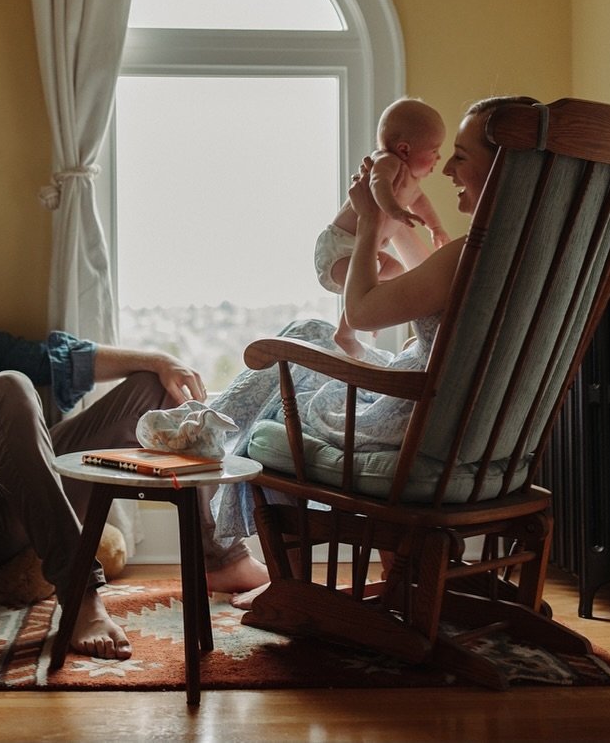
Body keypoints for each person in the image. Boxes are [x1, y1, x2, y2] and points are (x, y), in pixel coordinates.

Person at [0, 223, 268, 660]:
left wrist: (158, 360)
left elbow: (61, 361)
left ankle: (222, 560)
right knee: (9, 387)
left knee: (151, 387)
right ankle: (80, 596)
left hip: (31, 491)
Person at [210, 96, 536, 607]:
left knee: (281, 396)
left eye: (462, 156)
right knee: (313, 330)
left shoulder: (469, 258)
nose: (447, 168)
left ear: (502, 168)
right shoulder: (531, 256)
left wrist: (367, 221)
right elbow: (419, 271)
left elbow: (360, 313)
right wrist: (395, 211)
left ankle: (290, 585)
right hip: (491, 444)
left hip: (420, 429)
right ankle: (397, 575)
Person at [313, 97, 450, 357]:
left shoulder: (409, 180)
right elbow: (377, 185)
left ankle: (373, 312)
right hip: (340, 246)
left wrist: (436, 226)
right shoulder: (387, 162)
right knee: (367, 284)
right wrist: (395, 211)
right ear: (405, 149)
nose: (439, 158)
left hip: (362, 249)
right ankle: (346, 332)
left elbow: (420, 202)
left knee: (397, 274)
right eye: (434, 150)